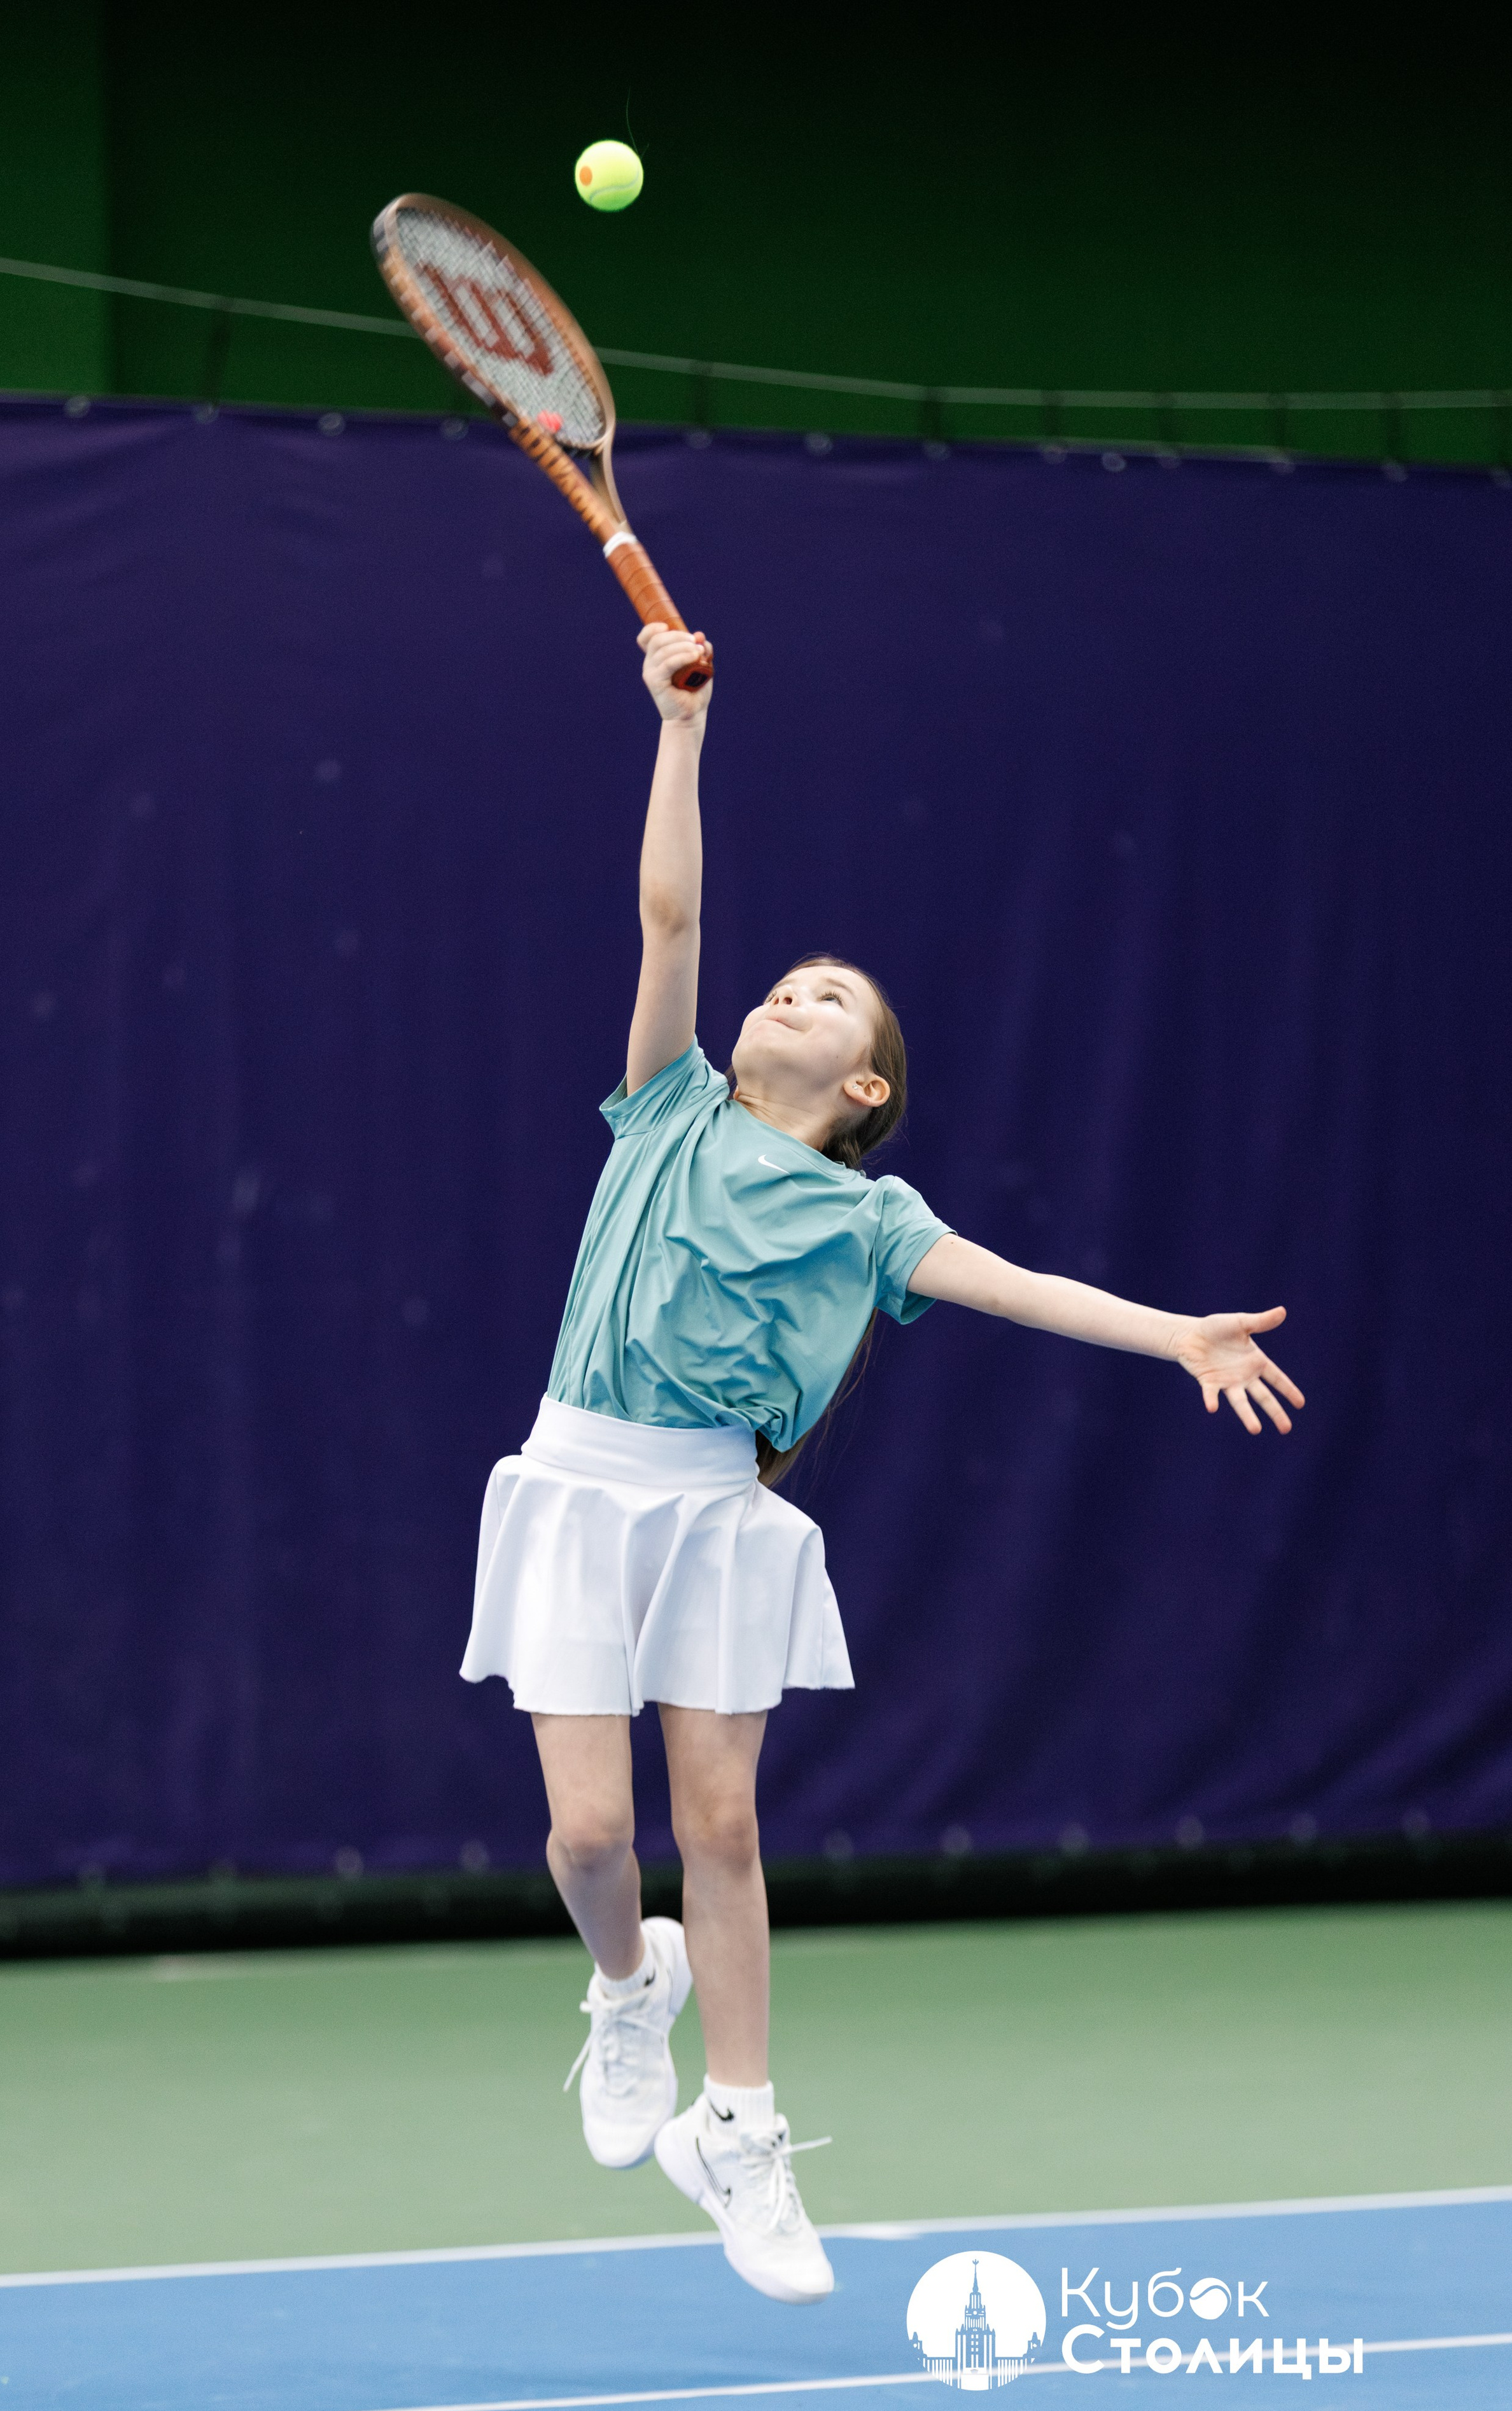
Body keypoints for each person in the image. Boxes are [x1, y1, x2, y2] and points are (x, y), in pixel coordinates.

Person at [460, 623, 1305, 2305]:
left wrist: (1181, 1336)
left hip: (711, 1510)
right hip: (570, 1486)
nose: (786, 987)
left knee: (723, 1820)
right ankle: (629, 1988)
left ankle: (745, 2130)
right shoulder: (666, 1108)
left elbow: (1023, 1287)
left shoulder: (870, 1218)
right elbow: (671, 916)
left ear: (859, 1088)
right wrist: (676, 732)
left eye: (827, 1001)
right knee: (581, 1841)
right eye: (789, 977)